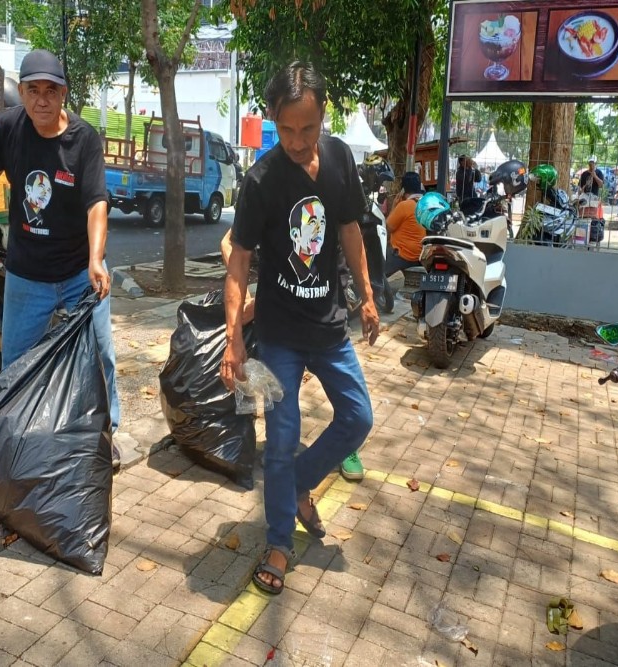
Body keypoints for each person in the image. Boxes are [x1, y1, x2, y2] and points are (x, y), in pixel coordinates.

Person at [221, 61, 378, 596]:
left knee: (358, 417)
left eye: (307, 128)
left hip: (330, 327)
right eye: (285, 129)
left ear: (323, 116)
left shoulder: (337, 160)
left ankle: (301, 484)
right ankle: (280, 541)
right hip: (280, 333)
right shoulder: (261, 180)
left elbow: (350, 229)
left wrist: (367, 294)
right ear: (272, 120)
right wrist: (234, 339)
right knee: (282, 437)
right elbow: (239, 260)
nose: (296, 140)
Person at [0, 49, 120, 433]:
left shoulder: (83, 140)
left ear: (63, 93)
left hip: (81, 272)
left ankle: (107, 432)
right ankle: (9, 435)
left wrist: (96, 260)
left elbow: (97, 203)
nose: (42, 100)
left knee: (100, 354)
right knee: (16, 360)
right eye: (33, 90)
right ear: (23, 92)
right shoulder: (8, 128)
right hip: (27, 274)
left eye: (51, 90)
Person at [218, 228, 370, 483]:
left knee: (353, 410)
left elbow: (352, 242)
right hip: (282, 323)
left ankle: (344, 448)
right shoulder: (267, 192)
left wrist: (368, 297)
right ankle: (278, 449)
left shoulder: (334, 197)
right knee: (279, 396)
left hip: (327, 313)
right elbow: (229, 242)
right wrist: (251, 296)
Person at [384, 171, 426, 277]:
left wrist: (394, 206)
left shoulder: (404, 205)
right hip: (419, 256)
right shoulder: (424, 205)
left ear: (403, 189)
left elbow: (387, 228)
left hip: (403, 256)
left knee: (376, 264)